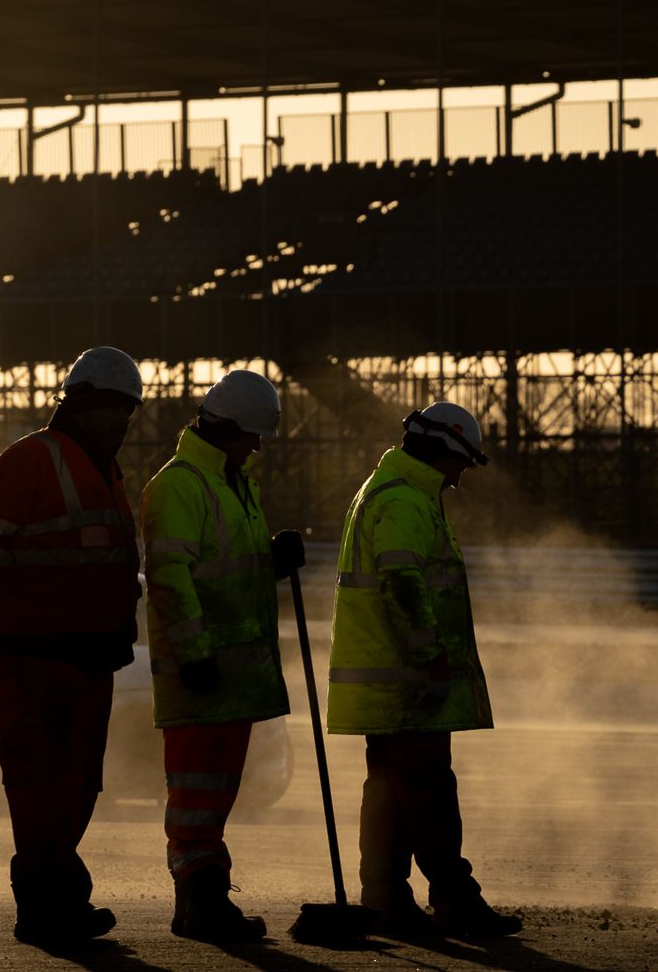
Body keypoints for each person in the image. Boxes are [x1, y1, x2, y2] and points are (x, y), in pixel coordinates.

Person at [0, 346, 144, 946]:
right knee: (40, 780)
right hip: (32, 652)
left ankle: (56, 894)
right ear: (80, 404)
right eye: (111, 408)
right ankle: (45, 906)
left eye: (127, 411)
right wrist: (6, 605)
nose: (121, 422)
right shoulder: (32, 459)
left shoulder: (106, 469)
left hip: (89, 650)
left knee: (79, 781)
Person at [325, 401, 521, 941]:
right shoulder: (406, 500)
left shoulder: (391, 491)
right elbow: (402, 586)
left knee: (389, 791)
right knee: (429, 792)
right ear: (442, 453)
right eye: (460, 464)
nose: (459, 479)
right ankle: (455, 901)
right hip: (407, 683)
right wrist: (431, 658)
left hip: (388, 683)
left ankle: (386, 901)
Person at [140, 370, 305, 941]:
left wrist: (271, 560)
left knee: (214, 795)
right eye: (252, 436)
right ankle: (201, 902)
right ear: (228, 427)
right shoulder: (180, 485)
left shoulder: (232, 484)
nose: (258, 447)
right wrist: (193, 653)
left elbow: (224, 570)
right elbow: (168, 577)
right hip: (201, 676)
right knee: (195, 798)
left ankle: (203, 900)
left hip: (230, 680)